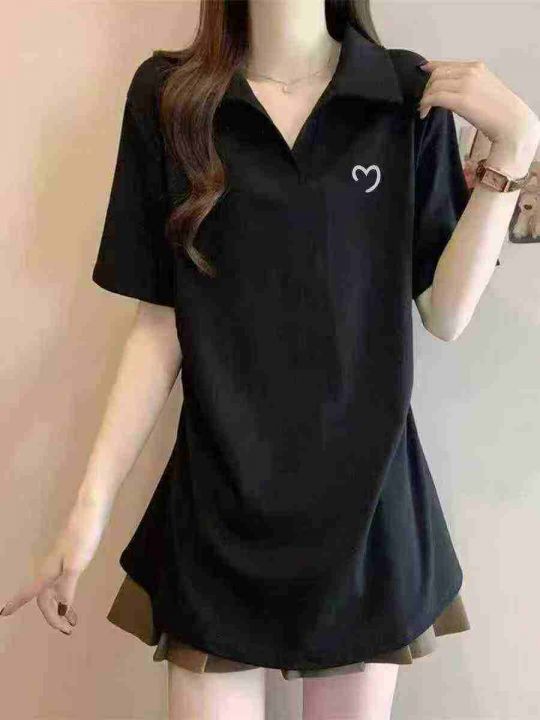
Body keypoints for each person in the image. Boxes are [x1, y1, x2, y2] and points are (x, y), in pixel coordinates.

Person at [2, 1, 539, 719]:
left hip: (367, 513)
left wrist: (514, 147)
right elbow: (160, 325)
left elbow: (444, 313)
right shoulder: (171, 98)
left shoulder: (405, 94)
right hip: (219, 505)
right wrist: (85, 517)